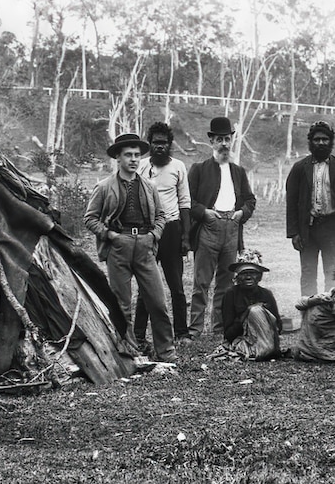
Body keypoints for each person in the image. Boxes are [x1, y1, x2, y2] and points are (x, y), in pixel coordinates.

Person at [83, 133, 177, 362]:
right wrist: (110, 235)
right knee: (122, 305)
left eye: (137, 155)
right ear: (118, 157)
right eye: (128, 155)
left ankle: (166, 352)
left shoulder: (149, 186)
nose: (134, 159)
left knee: (157, 302)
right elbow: (90, 218)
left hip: (145, 246)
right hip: (119, 247)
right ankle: (128, 351)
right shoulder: (104, 187)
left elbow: (162, 215)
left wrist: (154, 235)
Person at [187, 116, 257, 339]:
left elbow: (250, 200)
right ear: (211, 142)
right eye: (219, 139)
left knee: (226, 285)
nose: (224, 144)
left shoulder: (238, 171)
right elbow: (188, 200)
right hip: (209, 228)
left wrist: (241, 214)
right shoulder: (199, 169)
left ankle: (219, 329)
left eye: (227, 139)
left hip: (232, 228)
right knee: (202, 282)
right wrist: (204, 213)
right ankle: (196, 329)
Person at [134, 122, 191, 346]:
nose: (159, 147)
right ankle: (138, 334)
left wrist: (186, 237)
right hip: (148, 231)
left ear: (170, 145)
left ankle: (182, 333)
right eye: (155, 143)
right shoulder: (141, 166)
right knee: (145, 286)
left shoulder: (178, 166)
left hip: (171, 229)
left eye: (164, 143)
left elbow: (185, 202)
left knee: (176, 285)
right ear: (150, 144)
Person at [286, 120, 335, 296]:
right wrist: (294, 232)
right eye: (317, 139)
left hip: (332, 229)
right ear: (311, 141)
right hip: (307, 229)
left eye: (325, 139)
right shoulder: (299, 168)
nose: (321, 143)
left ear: (331, 142)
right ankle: (309, 313)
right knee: (308, 273)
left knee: (333, 273)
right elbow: (292, 201)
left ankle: (330, 312)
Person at [220, 249, 282, 360]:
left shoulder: (266, 294)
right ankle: (259, 350)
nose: (248, 277)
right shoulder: (230, 295)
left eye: (252, 273)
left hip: (266, 340)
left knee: (256, 312)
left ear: (259, 277)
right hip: (242, 341)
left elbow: (278, 327)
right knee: (254, 311)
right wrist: (247, 313)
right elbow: (228, 334)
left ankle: (265, 349)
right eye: (244, 273)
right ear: (237, 277)